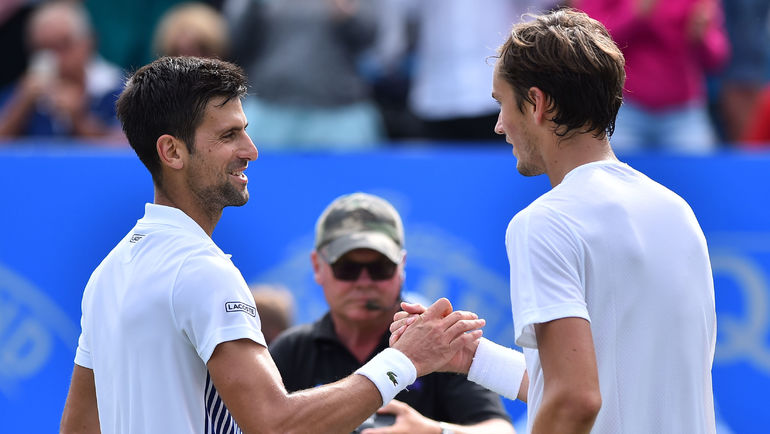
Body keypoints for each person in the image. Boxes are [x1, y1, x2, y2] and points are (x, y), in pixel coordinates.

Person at [59, 56, 486, 433]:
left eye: (245, 131)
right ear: (172, 152)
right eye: (229, 135)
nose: (251, 150)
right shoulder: (201, 269)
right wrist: (404, 361)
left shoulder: (108, 273)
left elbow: (78, 428)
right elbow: (276, 425)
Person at [392, 9, 717, 433]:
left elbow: (575, 400)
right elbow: (605, 386)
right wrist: (473, 358)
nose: (499, 125)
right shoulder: (677, 212)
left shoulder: (545, 223)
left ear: (537, 103)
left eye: (502, 103)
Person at [270, 192, 515, 433]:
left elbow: (501, 430)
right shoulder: (293, 351)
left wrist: (434, 432)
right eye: (347, 268)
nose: (364, 281)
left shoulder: (439, 344)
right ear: (317, 266)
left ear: (402, 266)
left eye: (380, 267)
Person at [572, 0, 729, 153]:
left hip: (683, 112)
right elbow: (587, 44)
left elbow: (717, 59)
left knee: (700, 166)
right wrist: (634, 14)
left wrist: (702, 38)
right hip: (621, 108)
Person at [0, 0, 124, 141]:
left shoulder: (118, 89)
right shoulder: (22, 94)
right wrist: (22, 105)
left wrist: (78, 119)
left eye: (62, 46)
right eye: (41, 49)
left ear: (88, 42)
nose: (53, 59)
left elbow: (126, 147)